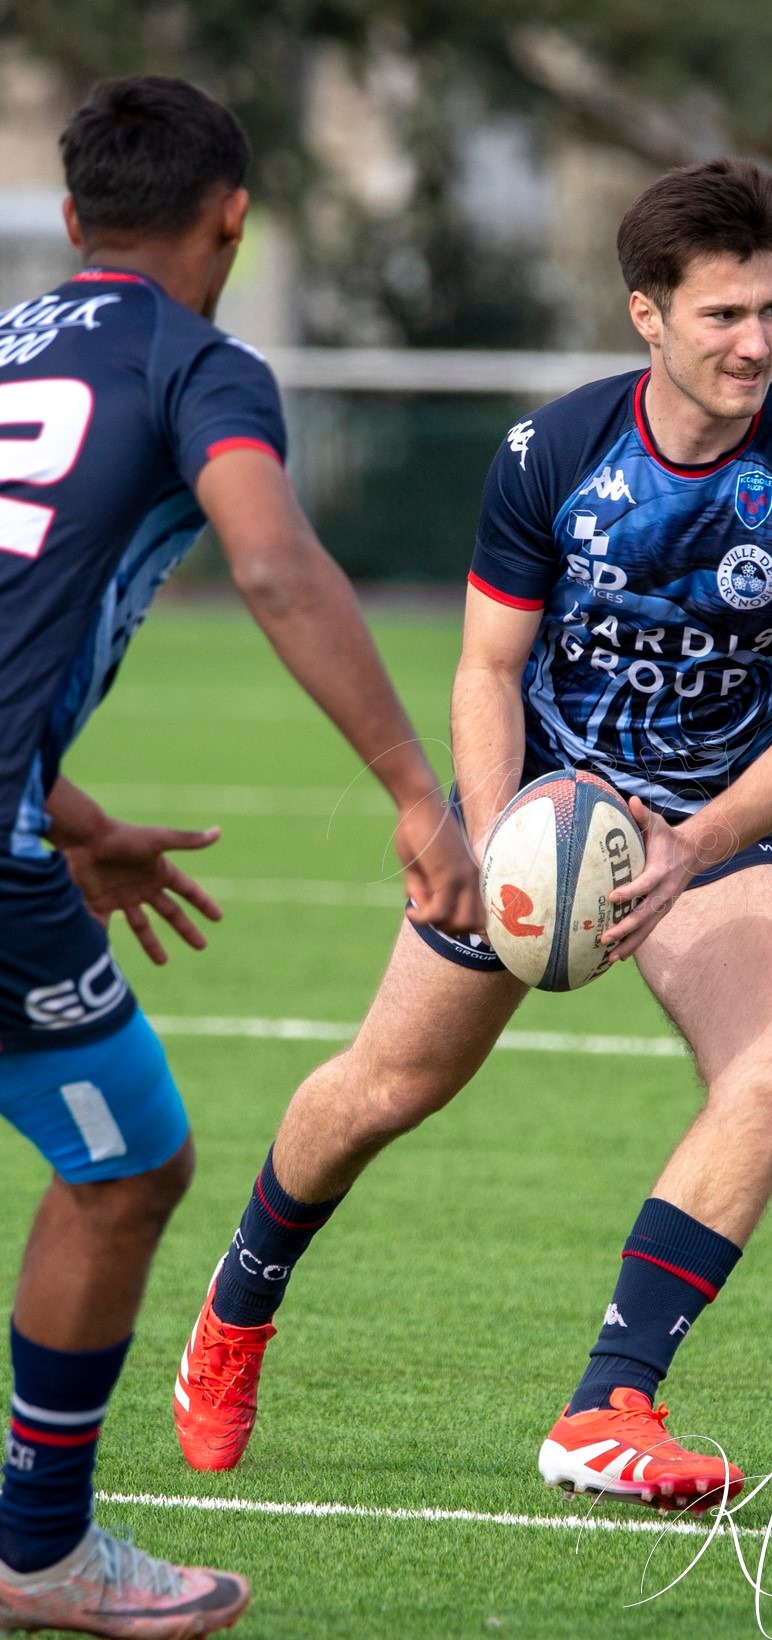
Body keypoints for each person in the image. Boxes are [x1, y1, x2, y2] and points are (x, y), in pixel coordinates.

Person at [175, 158, 772, 1511]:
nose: (755, 342)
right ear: (646, 314)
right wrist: (502, 835)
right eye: (722, 315)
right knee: (386, 1092)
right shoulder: (551, 452)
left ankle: (608, 1406)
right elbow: (485, 670)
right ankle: (238, 1303)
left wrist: (691, 842)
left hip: (717, 828)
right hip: (542, 801)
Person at [0, 75, 479, 1637]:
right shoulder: (195, 360)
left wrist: (70, 815)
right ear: (235, 215)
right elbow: (271, 559)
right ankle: (38, 1550)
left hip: (21, 820)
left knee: (126, 1155)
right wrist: (419, 791)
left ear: (71, 222)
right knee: (127, 1164)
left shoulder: (8, 343)